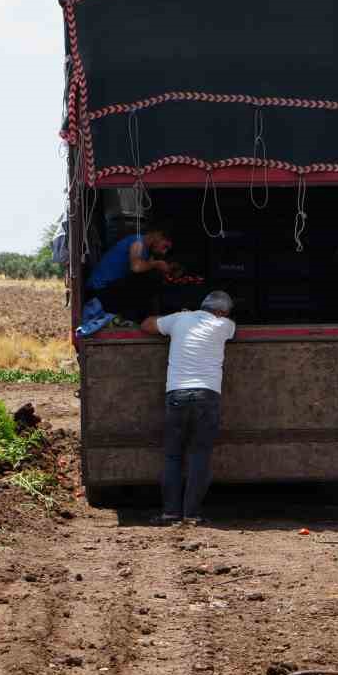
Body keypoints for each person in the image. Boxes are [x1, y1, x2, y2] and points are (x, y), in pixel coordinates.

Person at [142, 291, 236, 525]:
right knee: (199, 455)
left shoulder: (179, 319)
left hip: (177, 394)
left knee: (173, 456)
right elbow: (234, 329)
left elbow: (146, 325)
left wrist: (173, 316)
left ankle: (170, 513)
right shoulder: (224, 325)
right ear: (222, 312)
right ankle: (192, 514)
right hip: (207, 395)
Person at [87, 225, 175, 324]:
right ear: (158, 236)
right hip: (99, 291)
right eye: (165, 247)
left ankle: (139, 319)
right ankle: (142, 320)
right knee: (150, 279)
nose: (164, 252)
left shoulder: (147, 253)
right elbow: (136, 267)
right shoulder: (138, 242)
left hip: (109, 291)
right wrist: (156, 264)